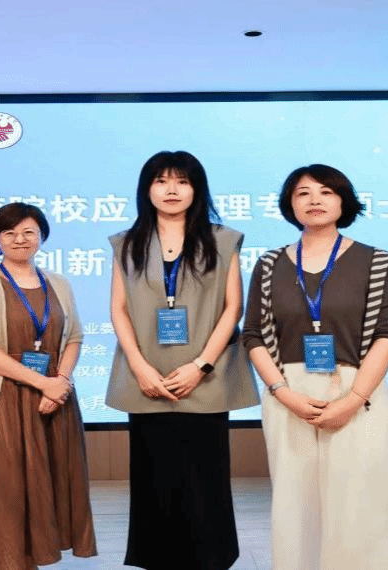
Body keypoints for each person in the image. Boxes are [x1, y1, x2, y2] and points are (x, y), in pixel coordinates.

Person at [242, 164, 388, 570]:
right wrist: (284, 394)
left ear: (344, 202)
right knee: (295, 506)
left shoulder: (377, 262)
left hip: (358, 392)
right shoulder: (269, 264)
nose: (314, 200)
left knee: (360, 504)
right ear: (289, 204)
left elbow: (387, 333)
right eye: (303, 193)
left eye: (326, 192)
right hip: (288, 393)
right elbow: (253, 335)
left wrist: (353, 399)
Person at [105, 150, 260, 570]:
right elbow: (118, 308)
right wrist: (139, 366)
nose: (171, 190)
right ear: (147, 189)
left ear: (197, 189)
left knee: (205, 480)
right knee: (154, 480)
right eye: (161, 181)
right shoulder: (126, 244)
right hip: (147, 378)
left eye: (182, 181)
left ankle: (210, 560)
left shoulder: (223, 240)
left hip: (206, 377)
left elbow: (233, 307)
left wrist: (201, 365)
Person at [0, 202, 97, 570]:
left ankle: (34, 556)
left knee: (50, 484)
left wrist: (60, 383)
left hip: (54, 398)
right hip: (2, 398)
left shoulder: (59, 283)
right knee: (5, 489)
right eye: (9, 233)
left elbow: (74, 338)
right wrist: (42, 383)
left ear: (41, 237)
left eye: (29, 232)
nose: (20, 239)